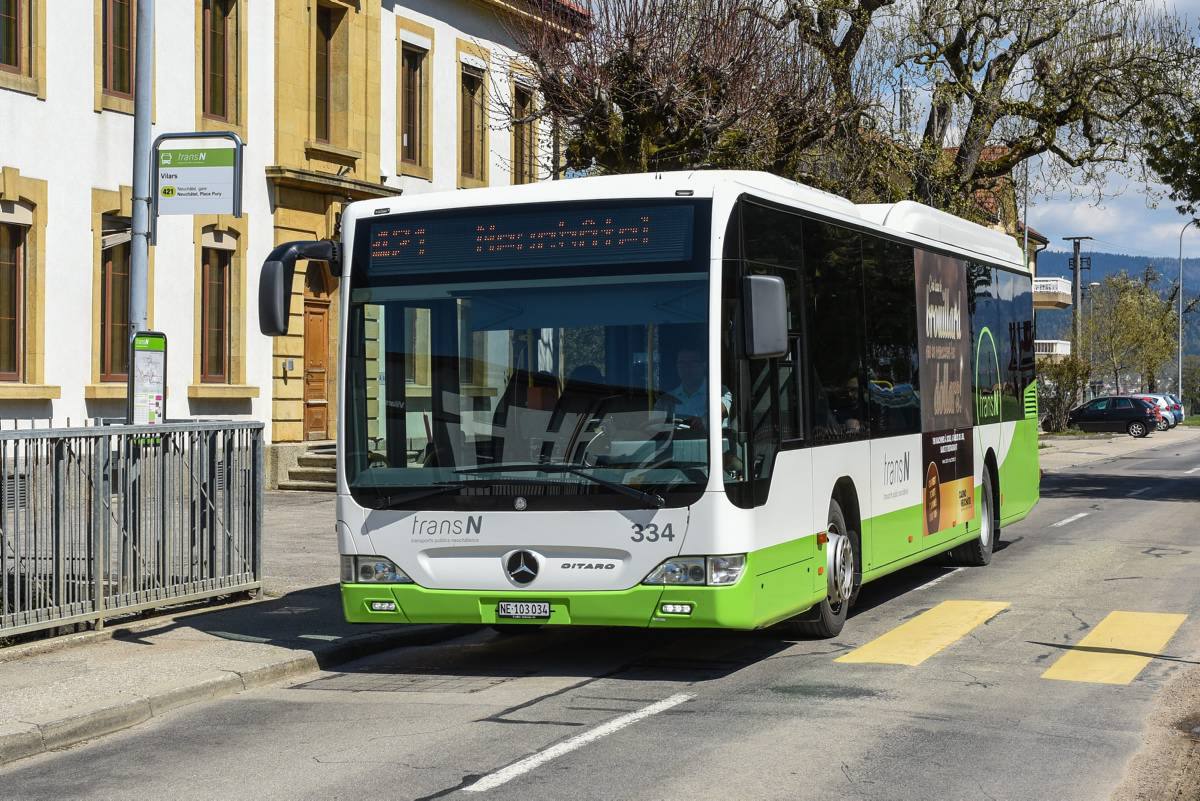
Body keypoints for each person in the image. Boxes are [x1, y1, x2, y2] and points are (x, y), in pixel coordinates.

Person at [661, 348, 732, 430]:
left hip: (709, 441)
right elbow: (653, 427)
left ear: (703, 365)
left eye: (692, 363)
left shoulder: (719, 390)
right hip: (677, 442)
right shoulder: (667, 399)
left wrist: (703, 421)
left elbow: (719, 410)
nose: (686, 368)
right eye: (682, 363)